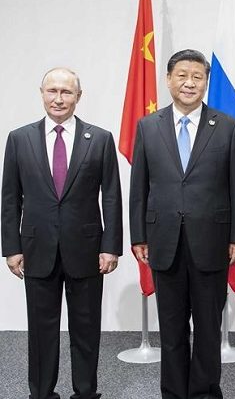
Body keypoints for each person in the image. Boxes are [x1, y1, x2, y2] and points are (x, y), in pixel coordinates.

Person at [129, 49, 235, 399]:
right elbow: (139, 186)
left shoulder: (227, 127)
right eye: (182, 75)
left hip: (213, 242)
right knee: (171, 328)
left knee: (209, 329)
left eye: (197, 76)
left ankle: (205, 393)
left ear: (206, 82)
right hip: (163, 241)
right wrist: (138, 235)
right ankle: (173, 393)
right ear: (168, 79)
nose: (189, 83)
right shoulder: (148, 126)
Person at [1, 67, 122, 399]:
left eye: (66, 92)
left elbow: (111, 196)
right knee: (41, 332)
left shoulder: (100, 139)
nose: (58, 98)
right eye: (52, 91)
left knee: (86, 329)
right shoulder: (19, 138)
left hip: (87, 250)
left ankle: (85, 393)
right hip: (36, 249)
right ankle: (41, 393)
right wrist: (11, 248)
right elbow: (10, 197)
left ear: (78, 97)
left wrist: (111, 246)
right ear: (41, 93)